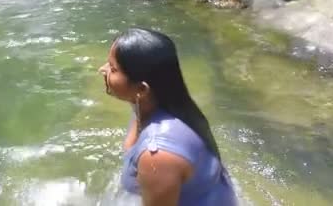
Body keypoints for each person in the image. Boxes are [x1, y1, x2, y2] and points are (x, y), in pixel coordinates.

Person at [99, 28, 237, 206]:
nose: (102, 69)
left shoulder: (157, 156)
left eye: (113, 68)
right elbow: (129, 148)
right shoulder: (170, 106)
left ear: (142, 89)